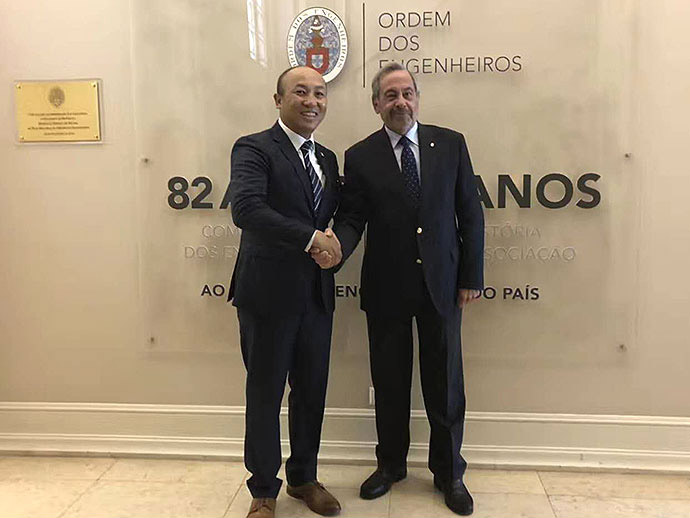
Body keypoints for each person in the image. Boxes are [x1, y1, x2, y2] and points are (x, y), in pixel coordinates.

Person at [322, 63, 484, 515]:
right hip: (386, 286)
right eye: (390, 95)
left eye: (407, 93)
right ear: (376, 104)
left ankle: (449, 473)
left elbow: (470, 214)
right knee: (389, 383)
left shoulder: (451, 144)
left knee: (445, 384)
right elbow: (352, 217)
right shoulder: (360, 155)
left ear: (417, 98)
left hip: (442, 285)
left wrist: (471, 276)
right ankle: (390, 465)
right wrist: (335, 250)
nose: (400, 102)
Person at [229, 66, 343, 518]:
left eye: (319, 93)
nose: (312, 101)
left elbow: (337, 217)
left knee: (311, 392)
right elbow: (247, 209)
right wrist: (311, 238)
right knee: (265, 393)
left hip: (315, 294)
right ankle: (263, 490)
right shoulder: (254, 148)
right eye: (301, 92)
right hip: (267, 295)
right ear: (278, 100)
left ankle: (303, 478)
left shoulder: (327, 158)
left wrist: (335, 246)